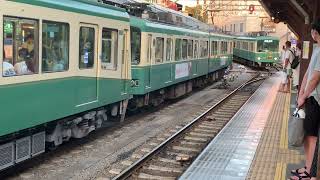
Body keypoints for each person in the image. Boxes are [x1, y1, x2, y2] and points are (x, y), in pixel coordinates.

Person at [290, 19, 320, 180]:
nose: (312, 34)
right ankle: (308, 168)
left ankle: (311, 172)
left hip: (315, 99)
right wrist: (300, 94)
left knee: (312, 136)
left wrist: (303, 95)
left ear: (316, 32)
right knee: (308, 135)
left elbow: (315, 78)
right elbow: (308, 73)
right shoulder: (316, 49)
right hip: (309, 98)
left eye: (313, 31)